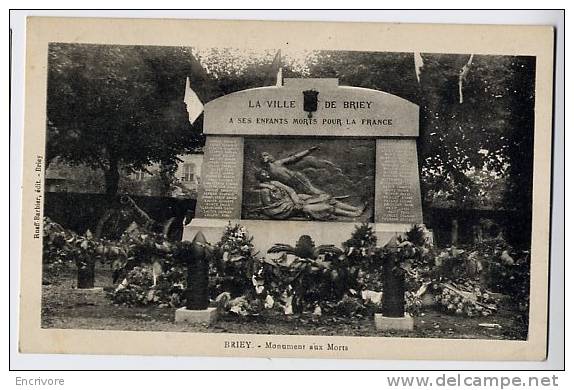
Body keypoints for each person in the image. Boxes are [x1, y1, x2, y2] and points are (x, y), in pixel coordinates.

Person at [253, 170, 365, 221]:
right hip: (288, 209)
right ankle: (353, 215)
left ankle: (355, 209)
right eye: (262, 173)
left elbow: (291, 190)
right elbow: (271, 208)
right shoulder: (264, 191)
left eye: (265, 172)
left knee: (326, 197)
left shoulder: (275, 183)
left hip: (296, 201)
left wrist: (296, 200)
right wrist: (292, 205)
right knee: (324, 207)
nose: (266, 173)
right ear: (260, 177)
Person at [260, 146, 326, 195]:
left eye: (265, 155)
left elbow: (294, 157)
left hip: (296, 178)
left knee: (312, 191)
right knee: (305, 196)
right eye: (262, 156)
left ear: (269, 156)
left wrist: (309, 150)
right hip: (289, 185)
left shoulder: (278, 163)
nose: (264, 157)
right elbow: (263, 182)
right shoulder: (264, 171)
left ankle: (328, 198)